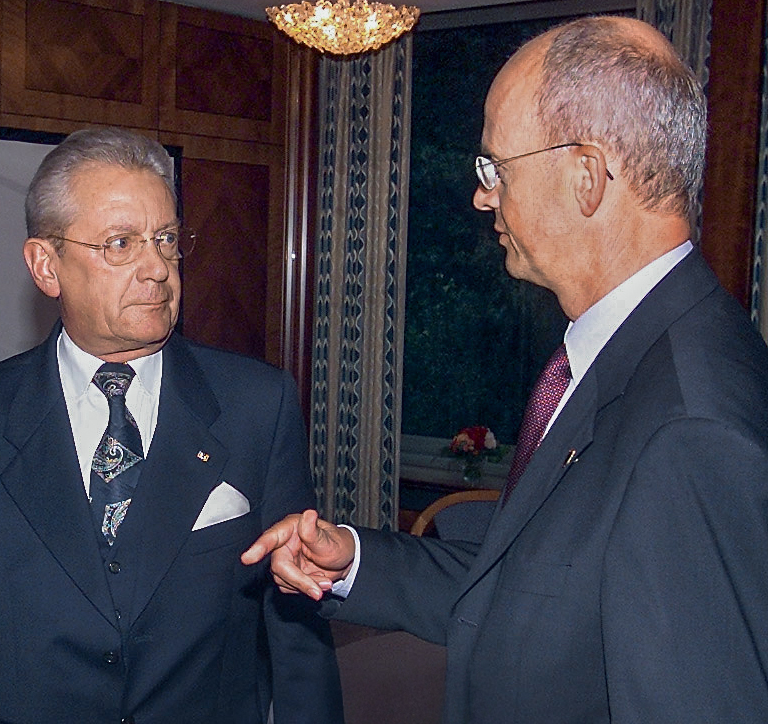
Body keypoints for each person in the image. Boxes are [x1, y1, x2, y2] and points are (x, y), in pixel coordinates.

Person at [243, 16, 768, 724]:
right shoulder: (625, 355)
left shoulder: (689, 424)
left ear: (584, 176)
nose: (480, 197)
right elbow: (526, 580)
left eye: (495, 168)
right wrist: (353, 560)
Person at [0, 127, 343, 723]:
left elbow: (297, 628)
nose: (156, 268)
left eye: (165, 239)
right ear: (45, 265)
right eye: (120, 243)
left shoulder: (257, 404)